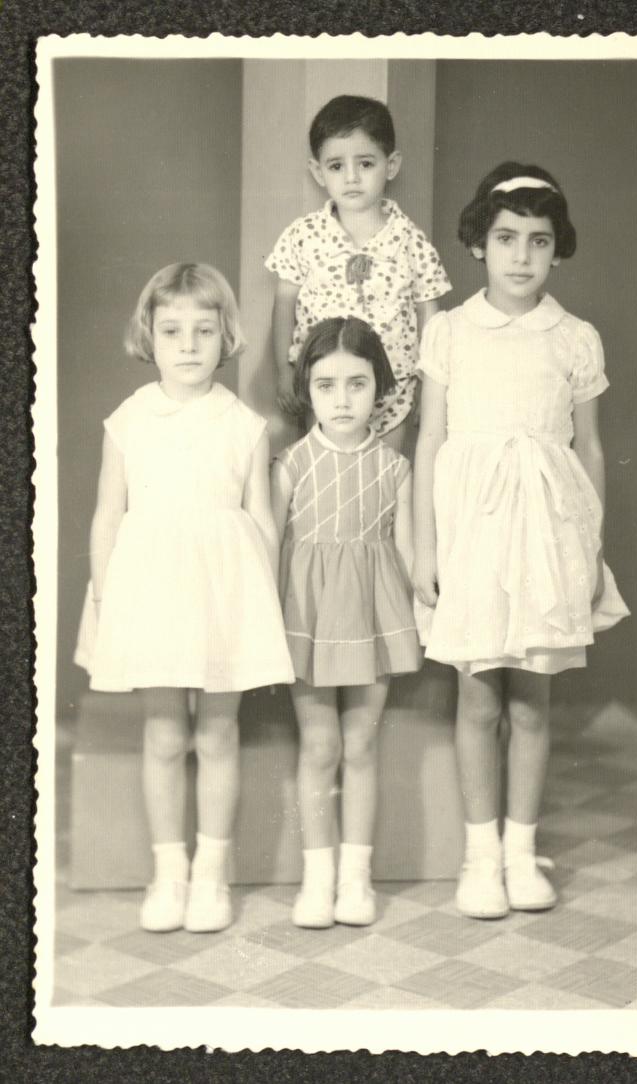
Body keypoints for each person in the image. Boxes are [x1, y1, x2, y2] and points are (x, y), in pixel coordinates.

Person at [412, 163, 629, 919]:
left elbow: (590, 451)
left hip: (547, 536)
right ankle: (479, 857)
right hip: (470, 530)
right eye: (506, 238)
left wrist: (589, 550)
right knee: (476, 701)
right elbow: (431, 438)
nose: (521, 256)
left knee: (532, 704)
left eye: (539, 241)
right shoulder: (448, 330)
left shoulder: (574, 338)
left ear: (557, 251)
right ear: (479, 243)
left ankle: (519, 848)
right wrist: (423, 547)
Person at [74, 263, 294, 933]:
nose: (189, 345)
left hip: (224, 594)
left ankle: (210, 874)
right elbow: (109, 513)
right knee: (166, 734)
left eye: (204, 330)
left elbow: (261, 523)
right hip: (152, 594)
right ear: (150, 335)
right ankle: (168, 872)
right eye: (173, 331)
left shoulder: (244, 425)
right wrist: (108, 594)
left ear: (226, 335)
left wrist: (262, 605)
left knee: (218, 732)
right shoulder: (129, 420)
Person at [271, 316, 421, 928]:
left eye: (356, 384)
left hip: (371, 616)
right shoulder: (290, 465)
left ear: (379, 389)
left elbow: (409, 553)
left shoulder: (395, 468)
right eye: (326, 384)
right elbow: (267, 545)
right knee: (321, 744)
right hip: (306, 618)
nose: (341, 399)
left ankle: (356, 881)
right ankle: (317, 877)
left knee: (360, 744)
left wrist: (431, 609)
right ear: (306, 388)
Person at [266, 94, 451, 452]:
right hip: (322, 386)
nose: (351, 177)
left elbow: (431, 316)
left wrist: (430, 387)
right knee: (322, 478)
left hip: (392, 392)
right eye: (336, 166)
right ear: (318, 171)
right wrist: (284, 372)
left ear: (391, 165)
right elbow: (284, 305)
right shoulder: (303, 237)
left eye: (365, 163)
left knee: (386, 480)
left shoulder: (410, 241)